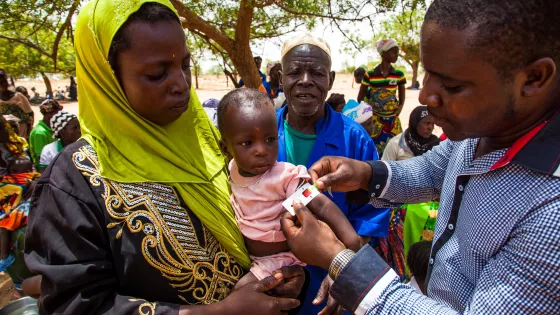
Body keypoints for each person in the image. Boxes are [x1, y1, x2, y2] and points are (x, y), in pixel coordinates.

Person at [24, 1, 305, 314]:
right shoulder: (73, 182)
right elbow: (75, 305)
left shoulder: (210, 141)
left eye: (184, 65)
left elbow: (256, 222)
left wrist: (282, 277)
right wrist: (216, 313)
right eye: (157, 74)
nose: (182, 85)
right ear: (109, 77)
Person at [281, 0, 560, 313]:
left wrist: (339, 260)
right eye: (427, 75)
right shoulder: (480, 130)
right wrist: (365, 174)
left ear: (534, 78)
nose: (426, 97)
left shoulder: (550, 214)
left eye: (451, 85)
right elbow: (432, 171)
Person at [277, 32, 390, 314]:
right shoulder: (258, 134)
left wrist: (344, 271)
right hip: (271, 287)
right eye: (295, 72)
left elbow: (369, 220)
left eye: (316, 72)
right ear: (281, 78)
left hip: (327, 290)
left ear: (330, 79)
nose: (305, 80)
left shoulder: (355, 140)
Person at [217, 88, 360, 291]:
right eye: (247, 143)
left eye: (270, 140)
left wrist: (350, 239)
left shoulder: (284, 176)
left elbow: (317, 201)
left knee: (241, 291)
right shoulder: (232, 169)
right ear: (226, 149)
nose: (261, 150)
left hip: (280, 259)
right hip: (250, 257)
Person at [358, 39, 406, 155]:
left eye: (397, 52)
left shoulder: (398, 74)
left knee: (395, 149)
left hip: (393, 121)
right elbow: (360, 97)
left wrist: (399, 108)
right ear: (383, 53)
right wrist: (369, 111)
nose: (396, 55)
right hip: (375, 121)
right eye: (393, 52)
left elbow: (402, 95)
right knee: (375, 150)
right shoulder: (370, 75)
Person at [0, 158, 39, 283]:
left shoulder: (16, 180)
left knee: (4, 227)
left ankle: (4, 256)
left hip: (18, 211)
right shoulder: (36, 178)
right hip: (27, 210)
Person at [29, 100, 63, 170]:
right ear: (50, 114)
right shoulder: (40, 132)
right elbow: (41, 158)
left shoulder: (51, 128)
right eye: (57, 113)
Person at [0, 70, 34, 139]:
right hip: (3, 133)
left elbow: (30, 113)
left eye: (3, 81)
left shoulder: (18, 96)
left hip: (20, 131)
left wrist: (29, 132)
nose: (2, 84)